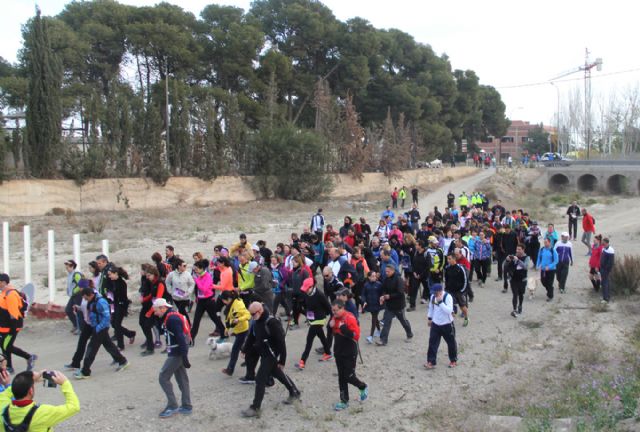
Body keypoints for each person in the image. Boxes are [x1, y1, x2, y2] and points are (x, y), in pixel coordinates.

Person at [240, 302, 300, 418]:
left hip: (271, 355)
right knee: (277, 373)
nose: (251, 316)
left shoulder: (272, 322)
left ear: (260, 311)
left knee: (260, 379)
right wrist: (244, 349)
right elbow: (252, 336)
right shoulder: (256, 321)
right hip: (264, 353)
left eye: (253, 314)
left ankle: (255, 407)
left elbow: (281, 342)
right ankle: (294, 392)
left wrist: (282, 360)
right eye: (250, 314)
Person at [74, 287, 128, 379]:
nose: (85, 300)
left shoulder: (101, 302)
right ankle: (122, 361)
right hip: (96, 327)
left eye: (86, 298)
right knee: (109, 345)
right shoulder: (93, 300)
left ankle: (85, 371)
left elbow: (107, 318)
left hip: (100, 328)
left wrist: (98, 328)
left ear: (90, 295)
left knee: (91, 349)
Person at [0, 369, 79, 430]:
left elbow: (6, 393)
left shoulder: (2, 407)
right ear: (31, 391)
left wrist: (29, 381)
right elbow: (74, 406)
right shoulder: (43, 412)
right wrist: (65, 383)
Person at [153, 298, 192, 418]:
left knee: (163, 377)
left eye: (156, 310)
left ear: (163, 308)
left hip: (177, 352)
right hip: (178, 351)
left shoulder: (171, 319)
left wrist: (184, 356)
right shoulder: (171, 316)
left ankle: (172, 405)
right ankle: (186, 406)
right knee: (181, 379)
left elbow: (180, 337)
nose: (155, 313)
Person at [330, 299, 368, 411]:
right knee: (341, 377)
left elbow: (356, 336)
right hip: (338, 351)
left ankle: (363, 386)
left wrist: (344, 328)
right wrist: (330, 326)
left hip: (349, 352)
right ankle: (344, 401)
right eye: (332, 310)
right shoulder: (334, 318)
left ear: (342, 308)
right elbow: (334, 332)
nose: (334, 313)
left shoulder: (349, 318)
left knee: (349, 376)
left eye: (336, 310)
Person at [0, 274, 36, 374]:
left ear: (3, 282)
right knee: (6, 346)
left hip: (11, 327)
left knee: (6, 346)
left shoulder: (10, 295)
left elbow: (13, 315)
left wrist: (12, 330)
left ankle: (9, 367)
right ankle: (28, 357)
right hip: (4, 327)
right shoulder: (4, 293)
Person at [294, 278, 333, 370]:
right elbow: (305, 303)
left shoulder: (320, 295)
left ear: (312, 287)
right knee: (321, 336)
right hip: (312, 318)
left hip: (319, 319)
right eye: (305, 289)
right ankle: (328, 353)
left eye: (307, 288)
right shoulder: (306, 293)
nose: (305, 290)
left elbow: (328, 307)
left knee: (309, 340)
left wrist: (331, 318)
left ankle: (302, 361)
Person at [376, 265, 413, 346]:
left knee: (403, 321)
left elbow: (400, 292)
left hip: (399, 305)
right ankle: (383, 340)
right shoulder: (386, 279)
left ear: (393, 271)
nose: (386, 273)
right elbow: (384, 289)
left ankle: (409, 334)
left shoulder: (398, 279)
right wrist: (383, 296)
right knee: (387, 322)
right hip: (389, 306)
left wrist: (390, 296)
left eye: (388, 271)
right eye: (385, 271)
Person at [425, 283, 457, 369]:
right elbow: (431, 308)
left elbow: (449, 310)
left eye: (435, 293)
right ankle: (431, 361)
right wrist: (430, 318)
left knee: (451, 343)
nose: (434, 294)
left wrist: (440, 302)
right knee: (432, 343)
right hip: (435, 324)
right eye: (433, 293)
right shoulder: (432, 297)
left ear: (440, 291)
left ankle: (453, 360)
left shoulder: (448, 297)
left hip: (447, 324)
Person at [220, 290, 251, 377]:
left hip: (243, 329)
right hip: (236, 330)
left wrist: (239, 319)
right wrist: (227, 329)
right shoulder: (230, 304)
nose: (223, 302)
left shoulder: (238, 304)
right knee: (243, 348)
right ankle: (249, 359)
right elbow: (228, 319)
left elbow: (248, 315)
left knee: (235, 350)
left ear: (229, 299)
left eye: (224, 300)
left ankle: (230, 369)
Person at [106, 266, 136, 351]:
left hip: (121, 305)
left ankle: (120, 345)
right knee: (113, 323)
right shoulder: (112, 282)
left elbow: (121, 296)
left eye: (110, 274)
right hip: (114, 305)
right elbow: (110, 293)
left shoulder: (121, 283)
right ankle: (130, 334)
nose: (109, 276)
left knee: (117, 325)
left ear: (116, 274)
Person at [165, 258, 195, 326]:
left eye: (185, 265)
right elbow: (167, 282)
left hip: (185, 298)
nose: (185, 267)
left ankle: (188, 324)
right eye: (183, 266)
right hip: (175, 297)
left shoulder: (187, 274)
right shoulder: (171, 274)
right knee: (181, 312)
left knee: (181, 311)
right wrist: (170, 291)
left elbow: (192, 284)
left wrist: (188, 292)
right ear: (179, 266)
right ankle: (183, 324)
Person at [444, 255, 469, 327]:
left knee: (462, 306)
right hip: (450, 291)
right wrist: (446, 289)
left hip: (459, 291)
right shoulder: (447, 268)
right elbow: (446, 279)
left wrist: (462, 290)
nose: (448, 260)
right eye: (447, 259)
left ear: (454, 259)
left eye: (449, 259)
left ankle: (466, 317)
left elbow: (465, 280)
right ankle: (450, 321)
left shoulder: (460, 268)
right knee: (450, 306)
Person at [507, 245, 529, 317]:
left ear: (523, 250)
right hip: (513, 279)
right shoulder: (513, 256)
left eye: (519, 249)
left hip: (522, 280)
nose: (517, 251)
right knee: (515, 294)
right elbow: (505, 265)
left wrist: (518, 260)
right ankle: (514, 310)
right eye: (517, 249)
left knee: (521, 294)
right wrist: (507, 260)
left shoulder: (527, 258)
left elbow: (525, 267)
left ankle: (520, 305)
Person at [360, 271, 382, 344]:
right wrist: (364, 301)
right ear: (369, 277)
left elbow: (382, 294)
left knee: (373, 319)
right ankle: (379, 331)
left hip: (377, 305)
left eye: (375, 276)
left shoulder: (379, 284)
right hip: (370, 305)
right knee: (375, 318)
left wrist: (382, 300)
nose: (374, 277)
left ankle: (371, 336)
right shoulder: (366, 285)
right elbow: (363, 295)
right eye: (372, 276)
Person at [64, 260, 83, 334]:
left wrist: (75, 291)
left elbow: (81, 284)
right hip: (73, 295)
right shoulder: (69, 275)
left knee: (79, 312)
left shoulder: (76, 274)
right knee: (68, 310)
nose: (66, 268)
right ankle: (75, 325)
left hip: (78, 295)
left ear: (72, 266)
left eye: (68, 266)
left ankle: (80, 328)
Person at [600, 238, 615, 304]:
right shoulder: (604, 249)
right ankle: (607, 297)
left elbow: (611, 262)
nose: (602, 244)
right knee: (606, 283)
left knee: (605, 283)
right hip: (602, 268)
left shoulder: (611, 250)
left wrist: (606, 269)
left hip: (606, 270)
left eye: (603, 243)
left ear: (607, 243)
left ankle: (605, 298)